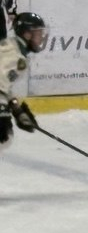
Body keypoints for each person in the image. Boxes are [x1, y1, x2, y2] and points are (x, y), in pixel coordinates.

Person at [0, 12, 44, 153]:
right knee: (5, 137)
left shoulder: (13, 48)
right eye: (38, 33)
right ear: (27, 34)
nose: (41, 37)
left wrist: (17, 110)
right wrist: (2, 112)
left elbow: (3, 86)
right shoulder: (14, 55)